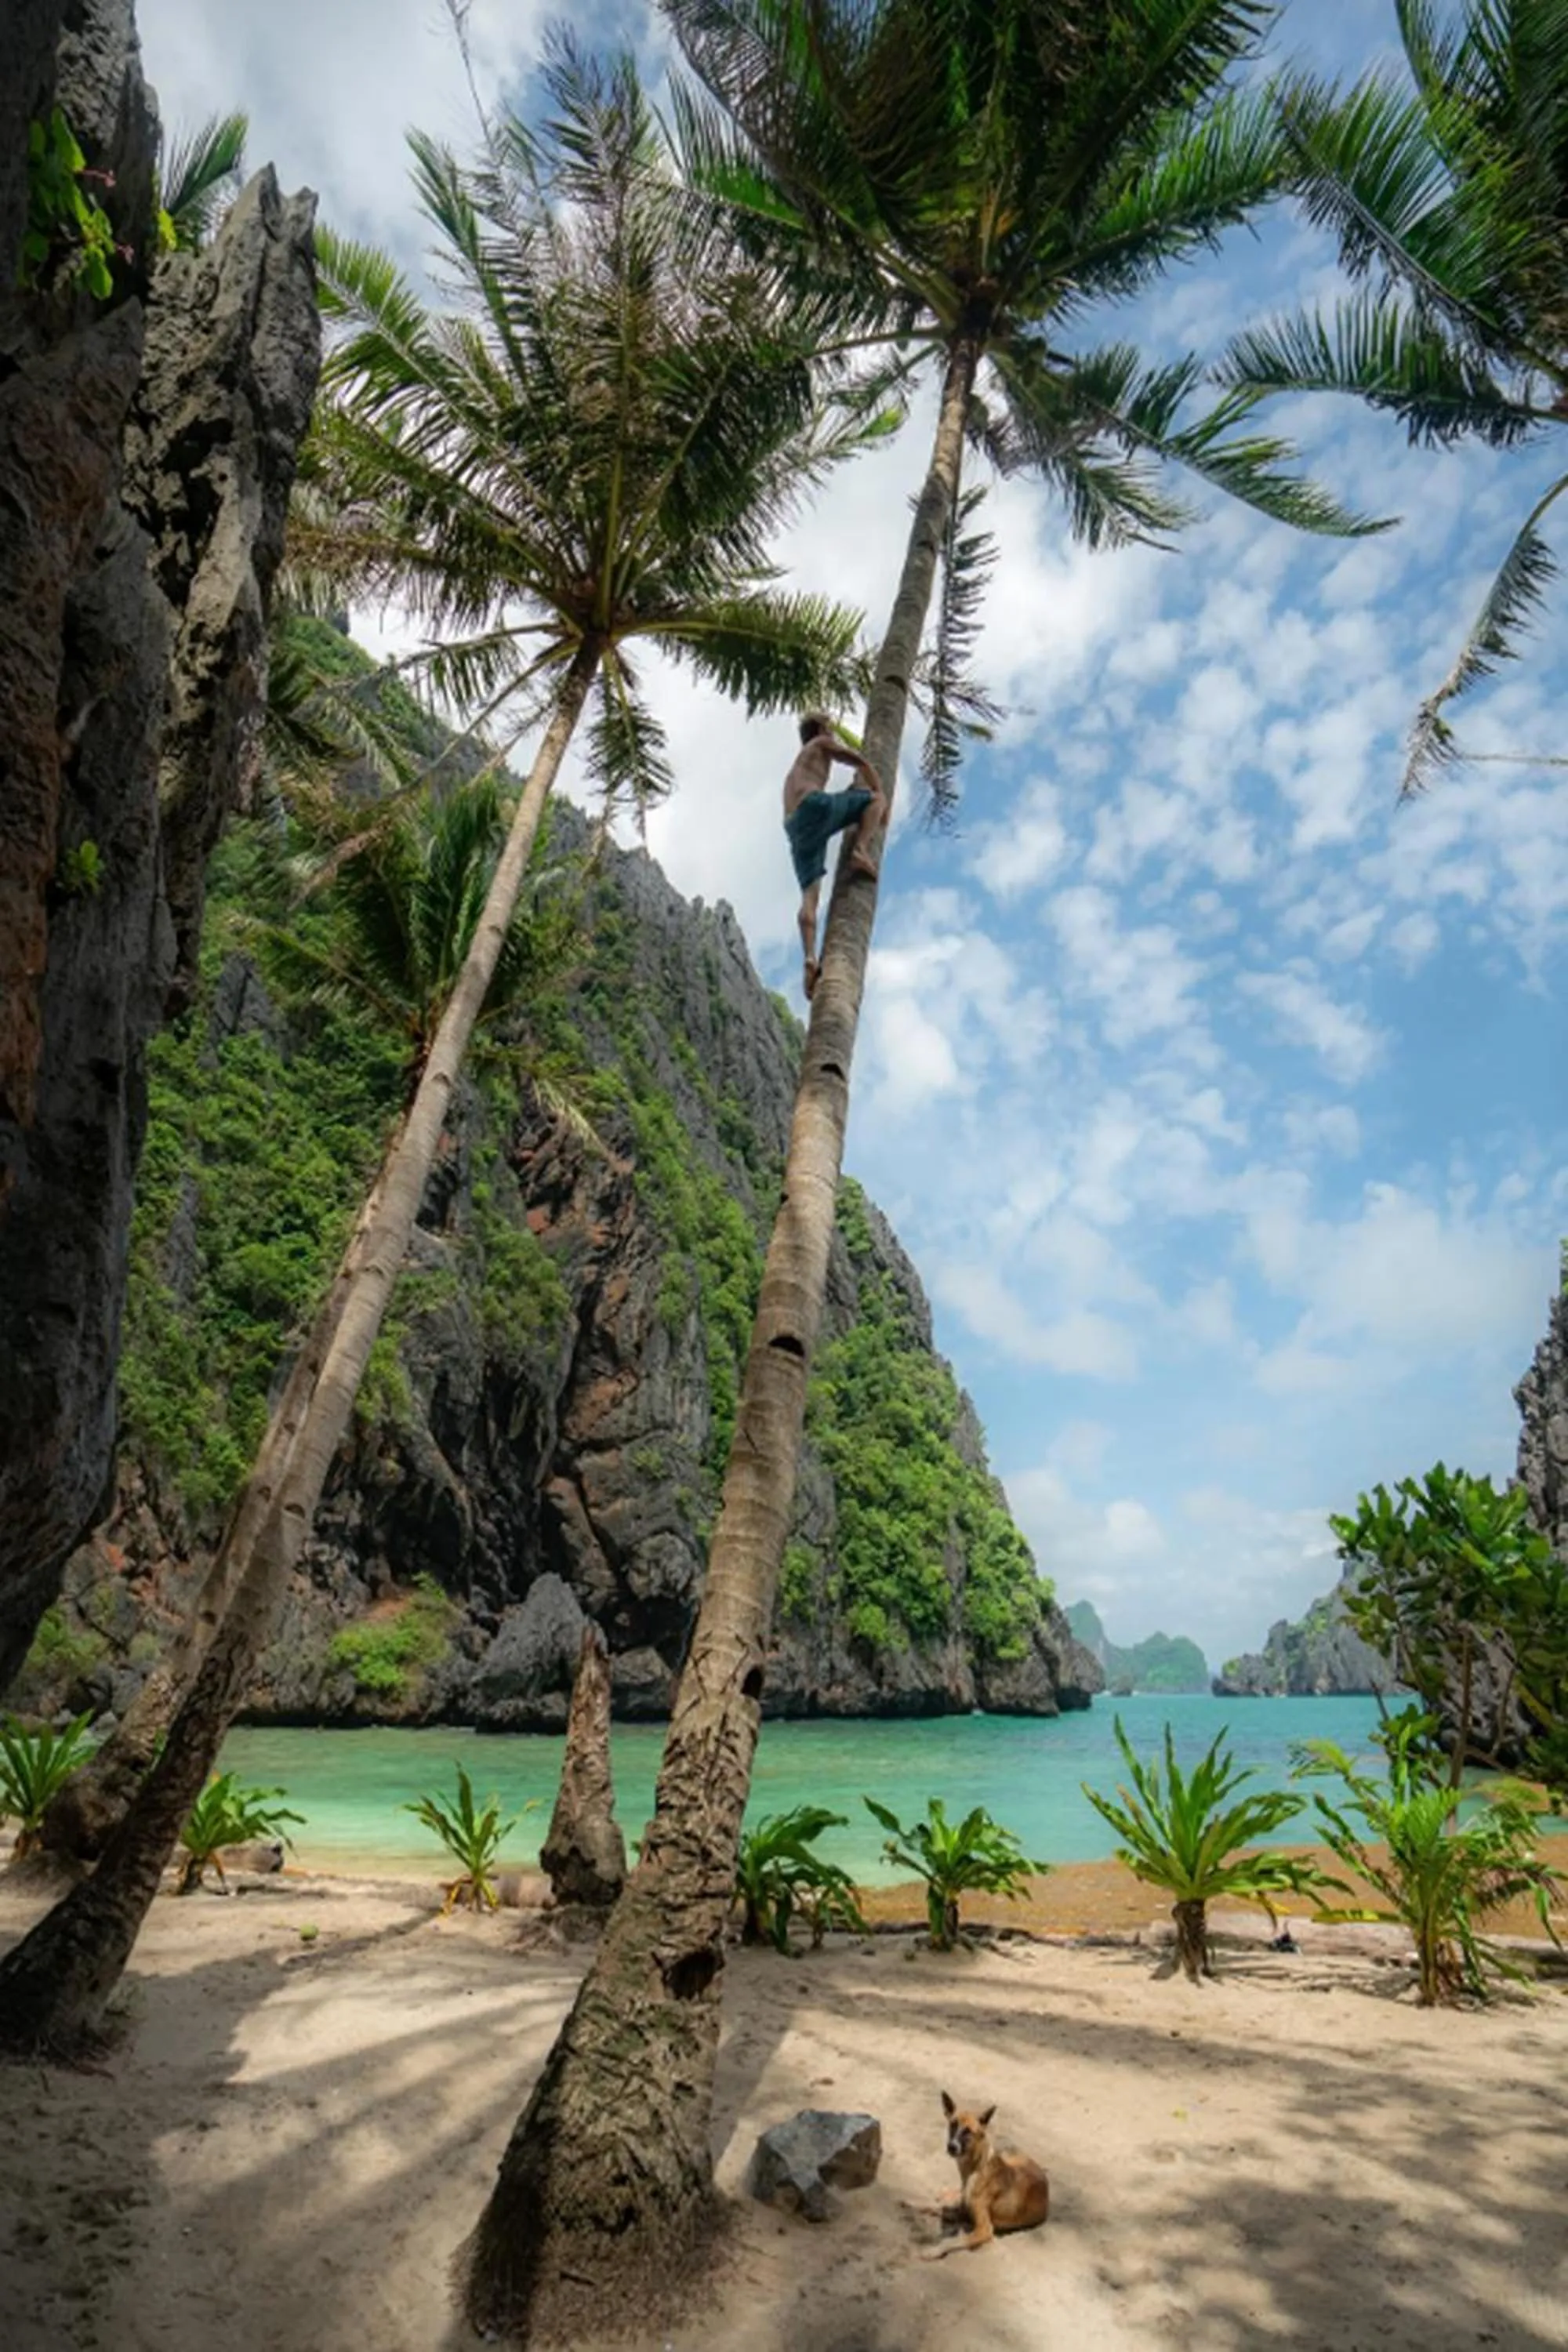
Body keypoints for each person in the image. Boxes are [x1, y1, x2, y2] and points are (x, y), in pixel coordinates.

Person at [782, 712, 886, 999]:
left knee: (809, 897)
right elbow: (859, 760)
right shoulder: (819, 744)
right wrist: (879, 793)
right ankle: (860, 851)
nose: (832, 733)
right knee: (876, 800)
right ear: (820, 730)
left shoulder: (798, 768)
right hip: (813, 807)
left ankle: (809, 958)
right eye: (829, 728)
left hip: (795, 828)